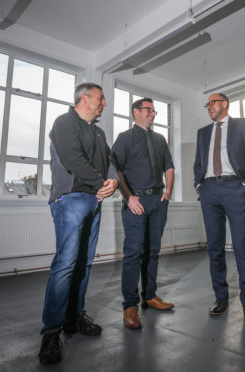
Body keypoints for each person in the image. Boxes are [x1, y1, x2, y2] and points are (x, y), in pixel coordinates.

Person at [39, 83, 119, 364]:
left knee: (84, 262)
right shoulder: (65, 122)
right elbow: (72, 158)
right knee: (66, 263)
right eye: (101, 99)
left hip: (93, 200)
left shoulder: (98, 132)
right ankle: (51, 331)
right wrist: (101, 184)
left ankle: (74, 317)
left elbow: (109, 161)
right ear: (85, 99)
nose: (104, 104)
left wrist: (114, 182)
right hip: (71, 199)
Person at [193, 93, 245, 321]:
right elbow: (198, 162)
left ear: (224, 104)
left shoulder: (242, 125)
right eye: (207, 104)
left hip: (235, 188)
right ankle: (220, 297)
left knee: (242, 244)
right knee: (214, 247)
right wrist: (198, 185)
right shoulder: (203, 133)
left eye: (212, 103)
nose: (209, 107)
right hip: (209, 191)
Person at [111, 98, 175, 329]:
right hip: (135, 200)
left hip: (158, 200)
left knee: (153, 251)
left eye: (154, 110)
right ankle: (130, 305)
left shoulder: (160, 139)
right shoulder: (124, 138)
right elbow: (115, 168)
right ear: (135, 112)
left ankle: (150, 295)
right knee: (133, 253)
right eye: (148, 109)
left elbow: (169, 166)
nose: (153, 113)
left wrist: (168, 191)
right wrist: (128, 197)